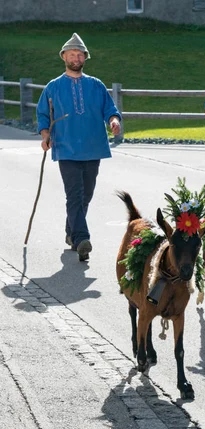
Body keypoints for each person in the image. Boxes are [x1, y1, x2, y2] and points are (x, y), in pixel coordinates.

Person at [36, 32, 121, 261]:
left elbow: (110, 110)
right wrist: (46, 136)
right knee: (74, 194)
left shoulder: (96, 85)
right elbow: (43, 116)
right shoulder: (53, 87)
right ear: (64, 57)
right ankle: (82, 238)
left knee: (87, 195)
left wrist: (114, 121)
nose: (76, 57)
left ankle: (71, 231)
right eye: (72, 54)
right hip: (66, 148)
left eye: (80, 54)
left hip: (93, 148)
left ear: (85, 58)